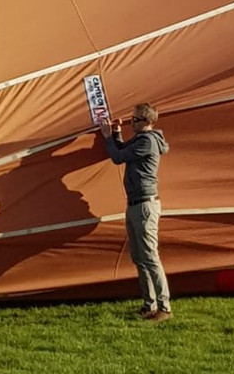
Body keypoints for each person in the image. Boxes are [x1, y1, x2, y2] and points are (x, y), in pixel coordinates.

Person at [99, 102, 172, 321]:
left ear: (148, 122)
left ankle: (164, 307)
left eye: (136, 120)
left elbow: (117, 157)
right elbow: (122, 150)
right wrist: (116, 132)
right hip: (135, 204)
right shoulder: (141, 140)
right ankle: (149, 304)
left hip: (144, 206)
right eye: (132, 119)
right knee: (139, 258)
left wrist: (106, 136)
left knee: (150, 257)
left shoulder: (147, 142)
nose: (132, 123)